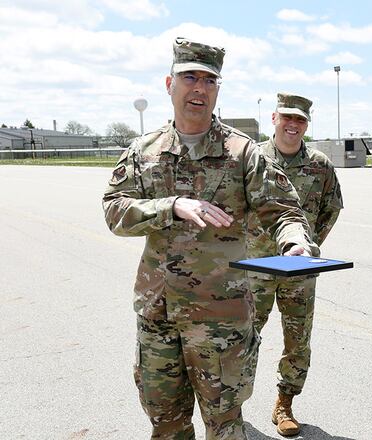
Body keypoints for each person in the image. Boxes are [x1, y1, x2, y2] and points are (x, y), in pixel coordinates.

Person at [102, 38, 315, 440]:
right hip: (157, 317)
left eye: (209, 80)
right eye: (189, 77)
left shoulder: (243, 153)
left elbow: (285, 210)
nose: (199, 88)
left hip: (221, 322)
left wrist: (295, 243)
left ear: (218, 89)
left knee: (225, 427)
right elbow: (115, 211)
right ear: (170, 83)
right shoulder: (143, 151)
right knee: (166, 425)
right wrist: (172, 205)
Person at [247, 93, 343, 436]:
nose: (293, 124)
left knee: (298, 339)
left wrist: (311, 244)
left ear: (307, 124)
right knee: (243, 337)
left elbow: (331, 209)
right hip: (254, 266)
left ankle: (284, 403)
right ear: (274, 118)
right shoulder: (252, 159)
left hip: (300, 270)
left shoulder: (319, 165)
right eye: (287, 117)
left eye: (300, 119)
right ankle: (232, 403)